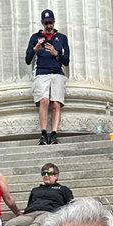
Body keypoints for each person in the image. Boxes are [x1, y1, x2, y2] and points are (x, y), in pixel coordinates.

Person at [4, 162, 74, 226]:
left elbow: (71, 207)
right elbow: (29, 204)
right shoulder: (35, 190)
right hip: (30, 214)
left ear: (56, 176)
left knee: (37, 224)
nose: (46, 175)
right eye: (44, 173)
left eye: (49, 173)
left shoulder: (63, 189)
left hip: (50, 213)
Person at [25, 10, 70, 146]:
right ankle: (44, 133)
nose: (49, 26)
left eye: (51, 22)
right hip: (41, 73)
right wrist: (36, 48)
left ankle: (54, 133)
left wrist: (56, 53)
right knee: (44, 101)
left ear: (54, 22)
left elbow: (66, 61)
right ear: (42, 23)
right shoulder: (35, 37)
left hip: (57, 73)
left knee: (56, 103)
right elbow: (27, 60)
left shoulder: (61, 38)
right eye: (46, 23)